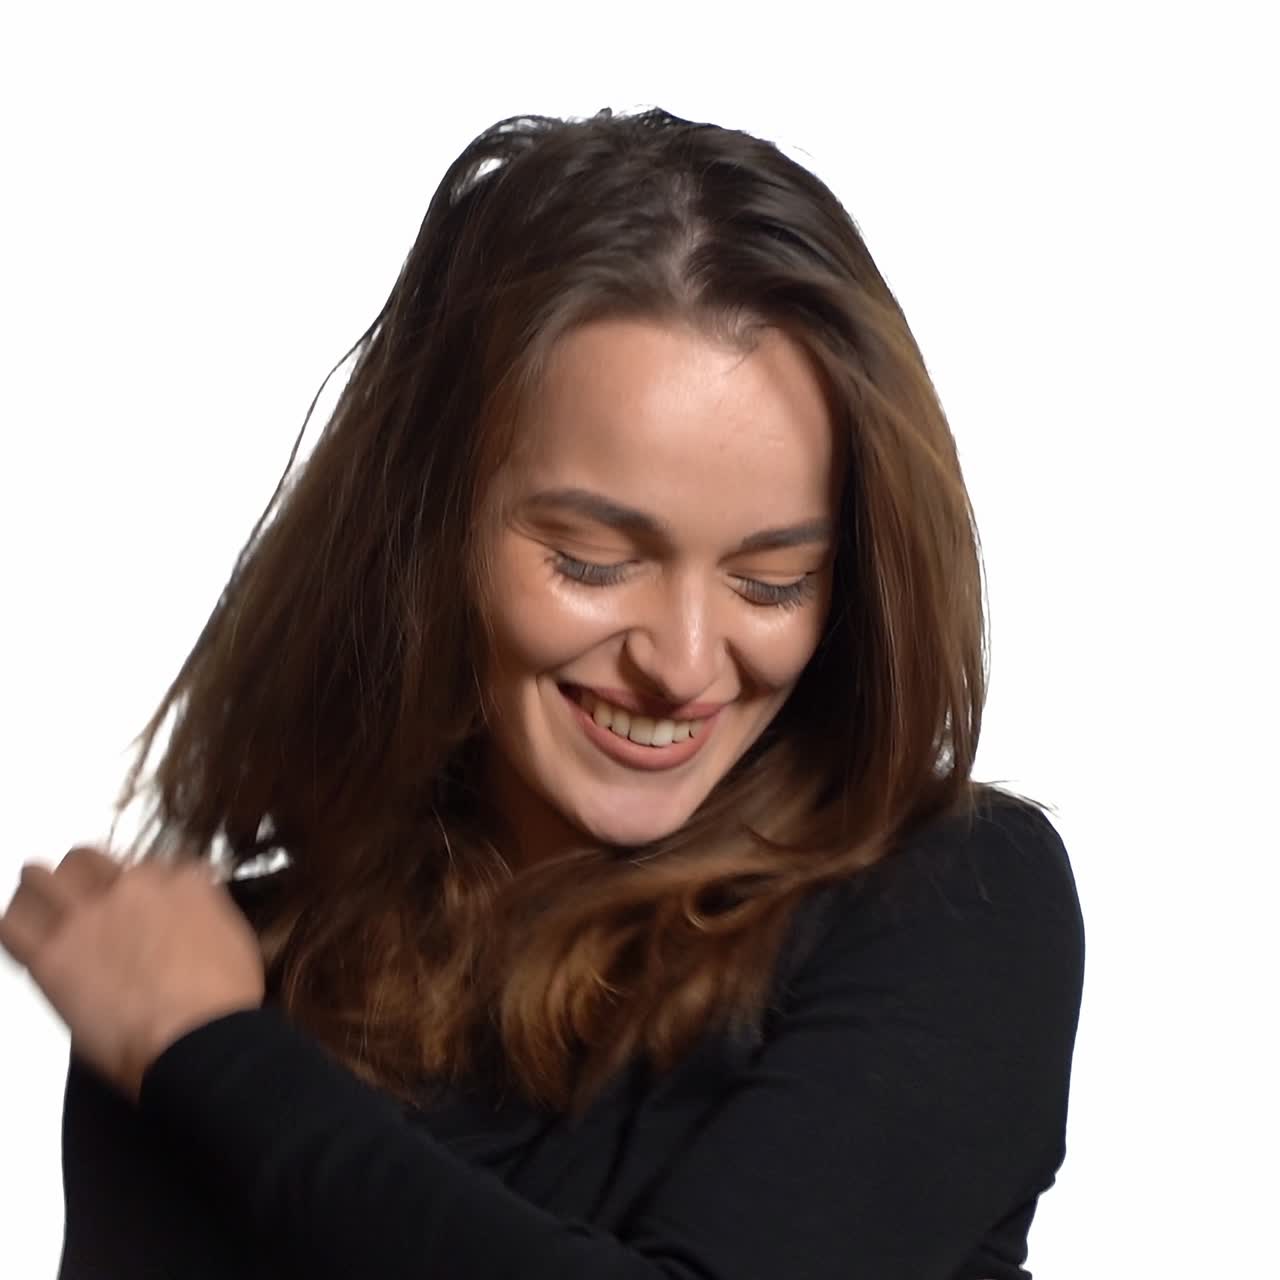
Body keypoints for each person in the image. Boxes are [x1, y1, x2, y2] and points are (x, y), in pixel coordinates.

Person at [0, 105, 1085, 1280]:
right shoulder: (211, 971)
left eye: (770, 581)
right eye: (592, 560)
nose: (681, 662)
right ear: (427, 530)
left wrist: (211, 1057)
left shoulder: (952, 900)